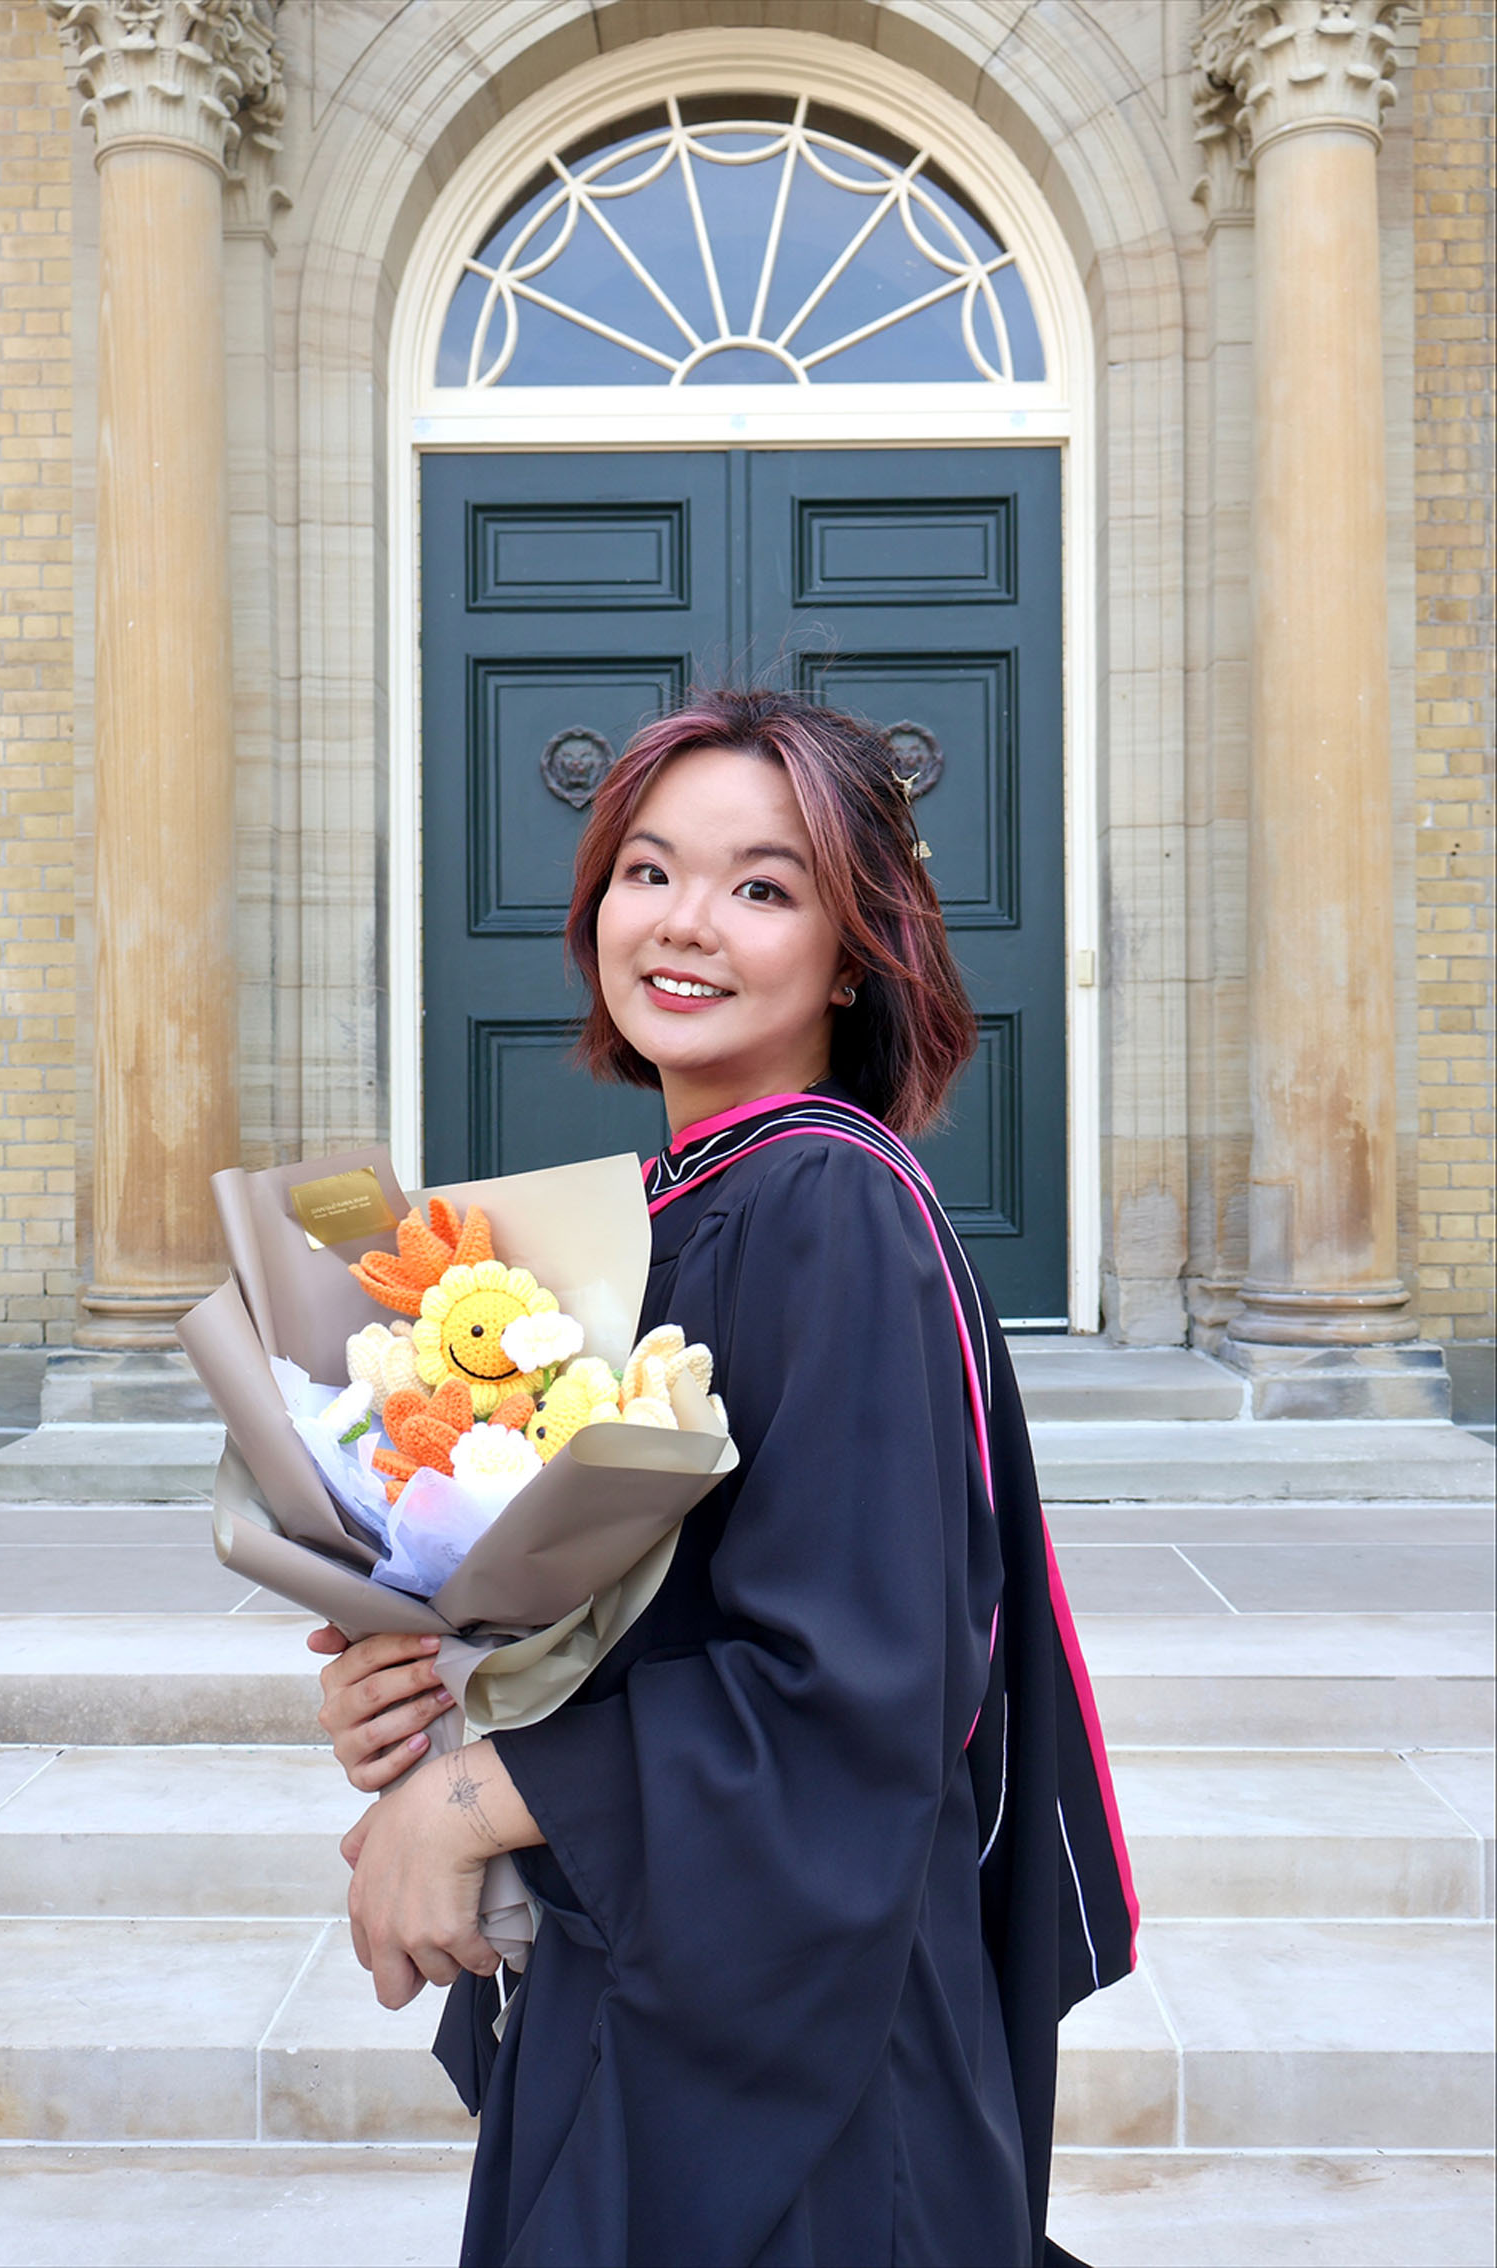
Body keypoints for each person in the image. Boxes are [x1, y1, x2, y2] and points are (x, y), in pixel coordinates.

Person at [316, 689, 1135, 2265]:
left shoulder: (824, 1204)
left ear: (854, 951)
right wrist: (433, 1685)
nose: (683, 923)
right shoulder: (655, 1219)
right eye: (646, 869)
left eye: (763, 887)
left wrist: (475, 1799)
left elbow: (849, 1695)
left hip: (799, 2090)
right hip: (659, 1982)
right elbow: (643, 1616)